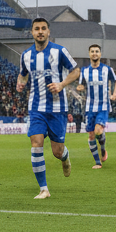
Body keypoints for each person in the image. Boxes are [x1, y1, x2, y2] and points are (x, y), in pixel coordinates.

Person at [16, 18, 79, 199]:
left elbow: (76, 71)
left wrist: (61, 84)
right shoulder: (26, 55)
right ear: (32, 32)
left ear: (48, 32)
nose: (40, 31)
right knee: (36, 143)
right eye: (37, 29)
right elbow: (22, 75)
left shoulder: (59, 51)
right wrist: (20, 83)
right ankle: (44, 189)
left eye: (43, 28)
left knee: (57, 151)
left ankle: (65, 157)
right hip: (36, 108)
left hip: (57, 108)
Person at [76, 44, 116, 168]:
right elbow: (81, 85)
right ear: (89, 54)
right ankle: (98, 162)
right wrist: (80, 87)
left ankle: (103, 149)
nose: (94, 53)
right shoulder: (84, 71)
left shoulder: (107, 69)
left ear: (100, 54)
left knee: (98, 130)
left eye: (97, 51)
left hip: (103, 105)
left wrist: (114, 94)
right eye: (92, 51)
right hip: (89, 107)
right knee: (91, 135)